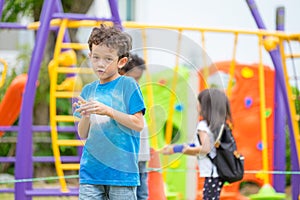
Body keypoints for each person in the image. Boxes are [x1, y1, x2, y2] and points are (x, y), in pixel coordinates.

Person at [74, 24, 145, 200]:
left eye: (107, 59)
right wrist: (86, 115)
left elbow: (138, 124)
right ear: (90, 56)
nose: (100, 64)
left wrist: (108, 111)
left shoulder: (128, 85)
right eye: (96, 57)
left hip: (122, 174)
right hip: (90, 173)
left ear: (121, 61)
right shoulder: (88, 90)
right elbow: (83, 134)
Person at [161, 88, 232, 200]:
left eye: (199, 102)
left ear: (205, 106)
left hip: (211, 172)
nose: (197, 105)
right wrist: (175, 148)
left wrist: (185, 151)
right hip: (219, 171)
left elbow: (205, 148)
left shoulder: (203, 126)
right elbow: (201, 145)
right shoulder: (219, 125)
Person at [119, 54, 150, 200]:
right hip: (127, 153)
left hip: (141, 152)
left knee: (142, 191)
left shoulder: (135, 93)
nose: (137, 82)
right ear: (122, 73)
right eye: (134, 78)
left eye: (139, 79)